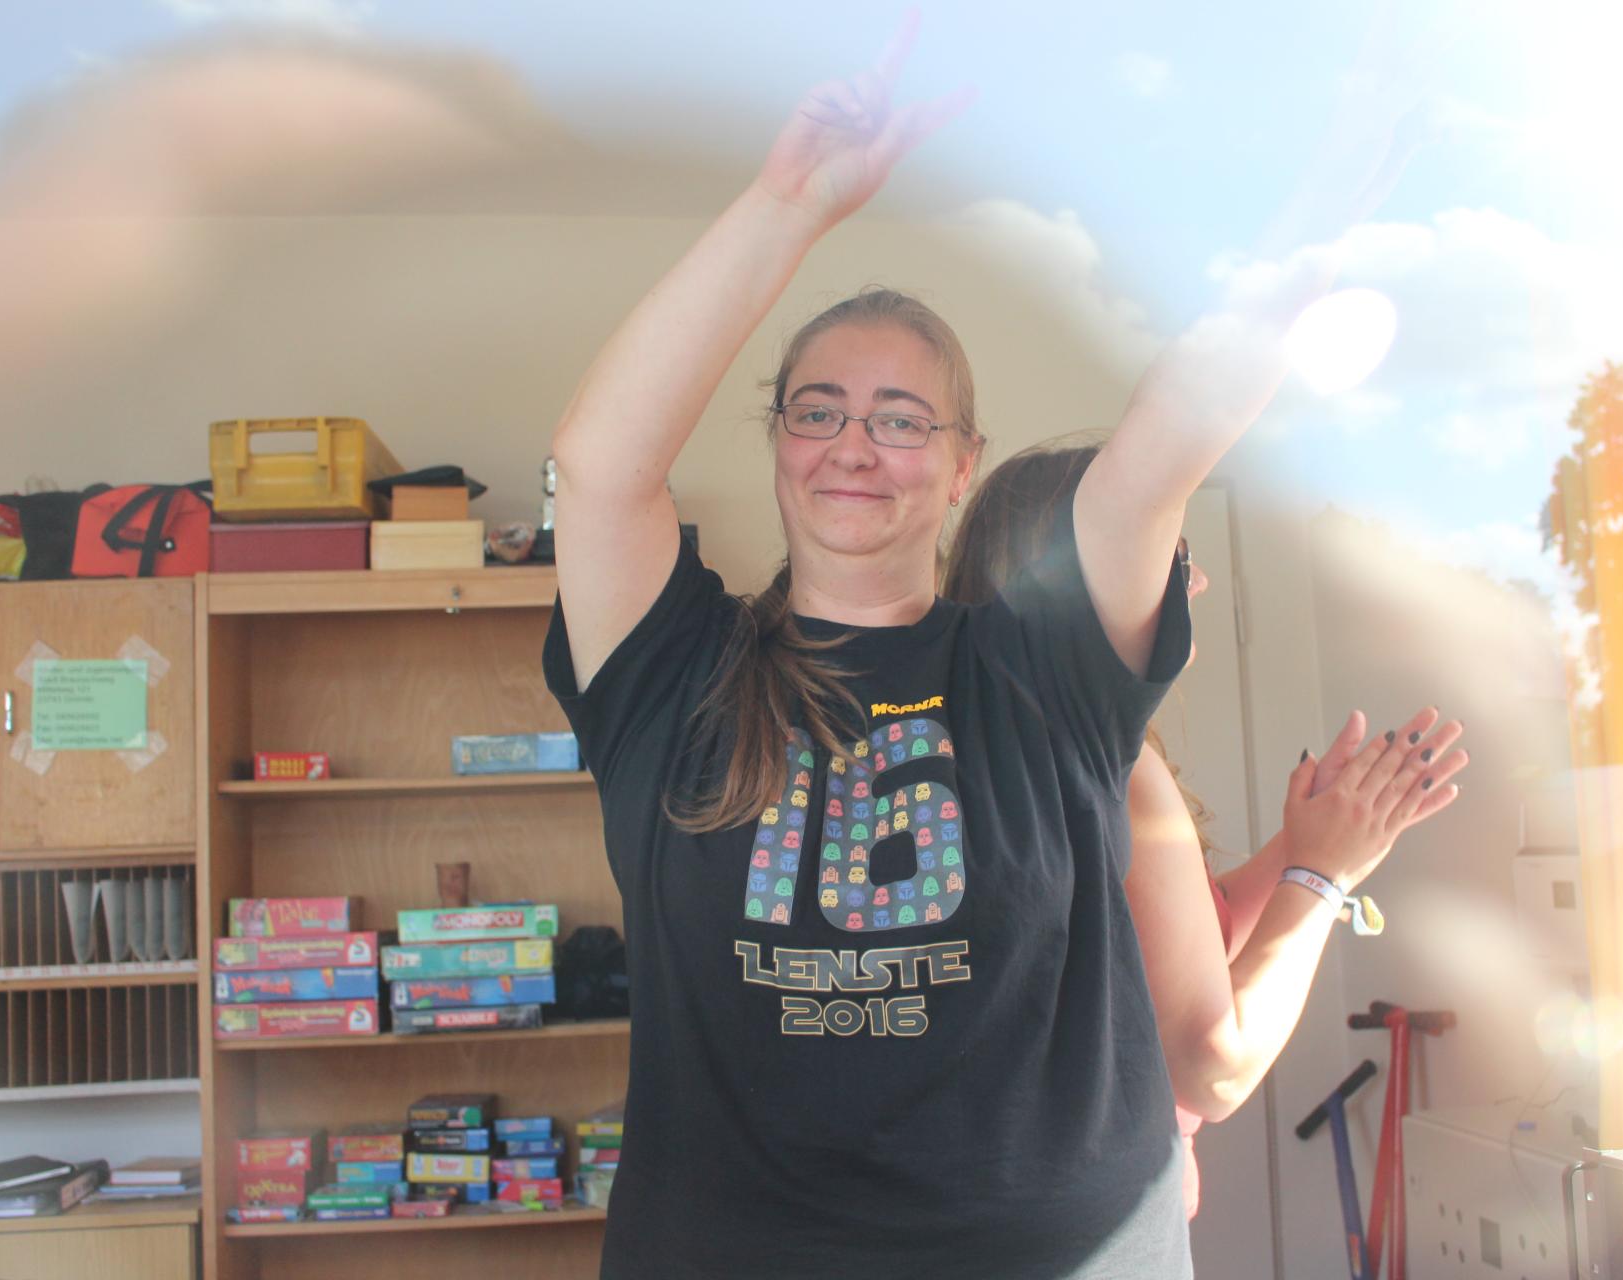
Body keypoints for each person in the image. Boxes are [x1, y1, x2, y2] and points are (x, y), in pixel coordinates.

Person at [542, 20, 1438, 1278]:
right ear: (780, 441)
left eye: (902, 420)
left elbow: (1165, 441)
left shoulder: (1043, 671)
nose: (855, 445)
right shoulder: (672, 675)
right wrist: (788, 204)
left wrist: (1320, 209)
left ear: (963, 465)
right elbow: (599, 465)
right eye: (818, 410)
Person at [943, 441, 1467, 1218]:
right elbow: (1211, 1072)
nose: (1197, 582)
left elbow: (1158, 946)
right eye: (1176, 556)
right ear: (1093, 581)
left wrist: (1308, 842)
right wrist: (1321, 879)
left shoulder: (991, 739)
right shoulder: (1118, 775)